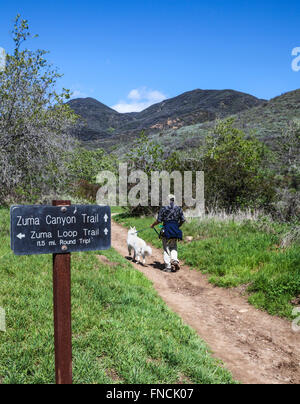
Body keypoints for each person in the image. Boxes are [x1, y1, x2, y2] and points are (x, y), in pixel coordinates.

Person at [150, 194, 185, 272]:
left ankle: (168, 267)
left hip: (166, 230)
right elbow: (183, 220)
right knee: (173, 246)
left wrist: (152, 225)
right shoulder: (179, 208)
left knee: (166, 248)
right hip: (175, 230)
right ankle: (174, 259)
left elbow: (159, 220)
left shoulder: (163, 208)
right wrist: (177, 226)